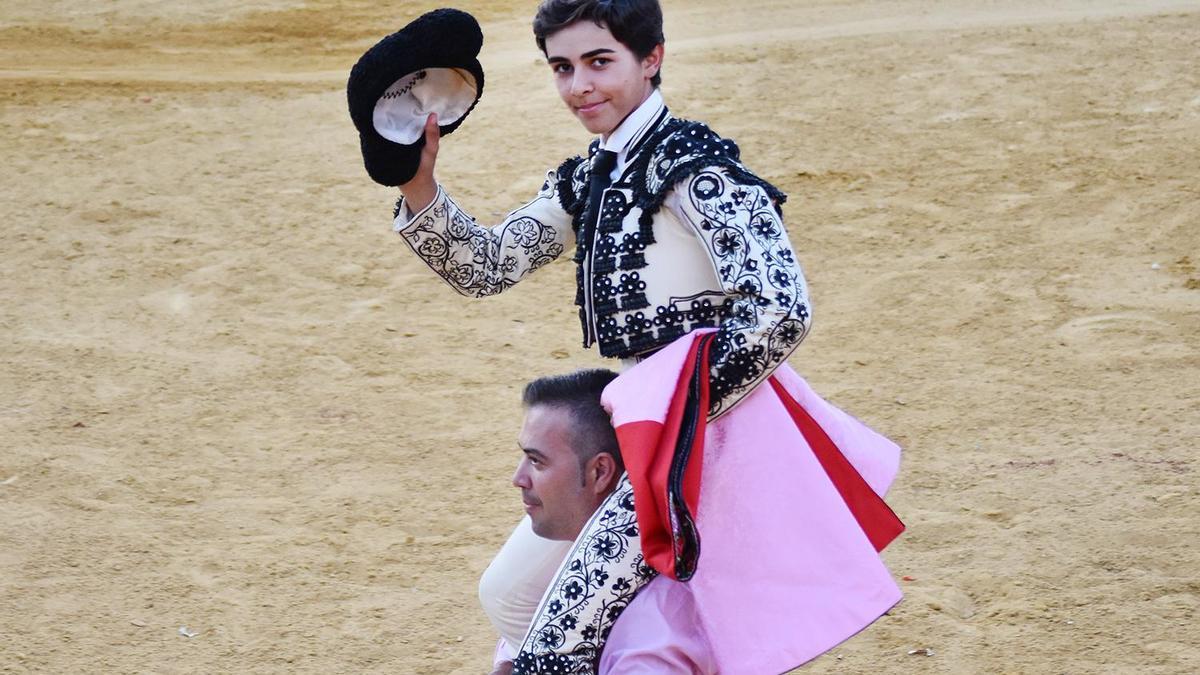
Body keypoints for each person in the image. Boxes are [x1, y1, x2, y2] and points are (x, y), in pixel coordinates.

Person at [389, 1, 903, 672]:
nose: (581, 87)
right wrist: (417, 180)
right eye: (563, 68)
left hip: (702, 444)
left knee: (558, 645)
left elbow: (781, 308)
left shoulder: (698, 170)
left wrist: (675, 408)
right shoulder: (588, 179)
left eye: (600, 63)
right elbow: (487, 266)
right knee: (512, 596)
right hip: (642, 433)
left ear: (651, 58)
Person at [487, 369, 715, 675]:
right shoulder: (552, 580)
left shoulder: (649, 646)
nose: (517, 479)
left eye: (537, 461)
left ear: (600, 472)